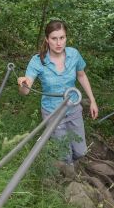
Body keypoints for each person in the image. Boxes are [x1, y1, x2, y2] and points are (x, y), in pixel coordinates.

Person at [17, 20, 99, 164]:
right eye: (54, 38)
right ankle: (68, 175)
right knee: (64, 155)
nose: (59, 43)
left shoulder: (74, 54)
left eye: (62, 38)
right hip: (52, 113)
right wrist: (24, 83)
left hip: (73, 109)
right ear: (47, 40)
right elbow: (25, 91)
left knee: (81, 152)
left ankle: (70, 166)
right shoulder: (37, 61)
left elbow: (81, 75)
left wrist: (92, 101)